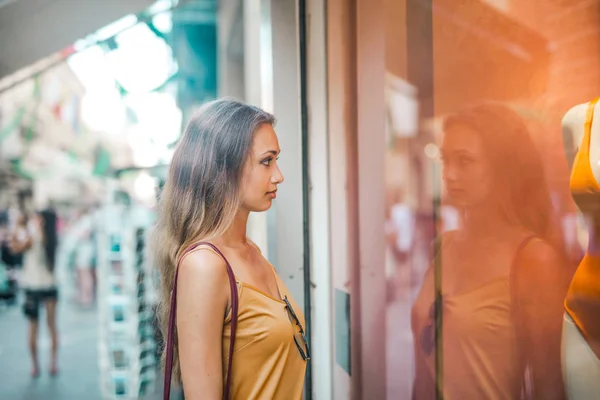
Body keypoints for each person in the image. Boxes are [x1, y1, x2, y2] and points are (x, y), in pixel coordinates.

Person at [411, 103, 571, 399]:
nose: (449, 175)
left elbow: (548, 383)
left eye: (465, 161)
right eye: (445, 161)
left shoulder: (533, 259)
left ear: (501, 167)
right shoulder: (445, 246)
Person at [152, 99, 308, 400]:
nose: (279, 175)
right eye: (267, 161)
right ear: (225, 168)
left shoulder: (251, 251)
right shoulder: (204, 265)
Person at [11, 209, 59, 378]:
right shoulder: (53, 237)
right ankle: (53, 364)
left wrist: (17, 226)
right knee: (51, 325)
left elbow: (15, 248)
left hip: (33, 286)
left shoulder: (33, 234)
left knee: (33, 327)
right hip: (50, 284)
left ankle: (35, 365)